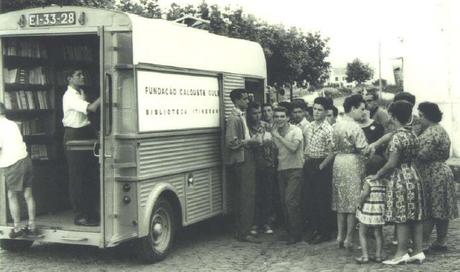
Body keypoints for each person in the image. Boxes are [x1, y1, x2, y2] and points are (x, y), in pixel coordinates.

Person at [369, 100, 425, 265]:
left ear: (393, 116)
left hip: (400, 178)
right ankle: (418, 250)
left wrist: (377, 175)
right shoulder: (411, 134)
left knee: (402, 217)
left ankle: (401, 253)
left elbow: (392, 163)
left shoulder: (397, 137)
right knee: (415, 216)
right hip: (414, 176)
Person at [416, 102, 458, 252]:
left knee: (430, 208)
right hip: (442, 170)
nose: (419, 119)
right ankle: (441, 240)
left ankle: (424, 242)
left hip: (432, 172)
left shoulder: (431, 132)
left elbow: (422, 154)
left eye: (420, 116)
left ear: (427, 116)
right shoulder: (440, 129)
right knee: (441, 209)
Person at [62, 68, 101, 226]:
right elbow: (91, 109)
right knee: (77, 178)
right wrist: (104, 95)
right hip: (74, 135)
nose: (82, 76)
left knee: (90, 176)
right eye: (78, 74)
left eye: (83, 74)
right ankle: (80, 216)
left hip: (85, 133)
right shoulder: (69, 96)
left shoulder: (80, 92)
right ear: (69, 78)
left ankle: (91, 213)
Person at [331, 94, 368, 250]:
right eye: (361, 109)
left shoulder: (335, 125)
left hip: (339, 161)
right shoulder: (355, 127)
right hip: (353, 161)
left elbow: (331, 146)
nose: (363, 113)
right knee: (353, 201)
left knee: (341, 200)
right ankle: (349, 238)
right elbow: (363, 148)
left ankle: (340, 235)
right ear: (353, 109)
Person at [225, 88, 260, 243]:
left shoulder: (240, 115)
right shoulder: (234, 118)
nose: (247, 101)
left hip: (245, 157)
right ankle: (244, 232)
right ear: (237, 100)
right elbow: (231, 142)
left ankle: (243, 229)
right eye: (245, 99)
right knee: (246, 195)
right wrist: (249, 142)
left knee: (245, 195)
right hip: (242, 159)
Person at [0, 102, 38, 238]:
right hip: (25, 159)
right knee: (28, 194)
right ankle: (32, 224)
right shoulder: (12, 124)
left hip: (13, 163)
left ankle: (17, 227)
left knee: (12, 195)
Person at [303, 97, 335, 244]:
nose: (316, 112)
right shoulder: (309, 126)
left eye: (320, 110)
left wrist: (320, 167)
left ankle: (325, 232)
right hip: (309, 163)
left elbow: (332, 152)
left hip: (322, 165)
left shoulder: (328, 129)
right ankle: (315, 229)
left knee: (322, 199)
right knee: (310, 199)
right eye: (314, 109)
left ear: (326, 111)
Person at [271, 106, 304, 244]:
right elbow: (275, 151)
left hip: (296, 169)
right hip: (281, 169)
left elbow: (293, 148)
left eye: (282, 116)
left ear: (288, 118)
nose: (279, 119)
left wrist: (278, 136)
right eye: (276, 116)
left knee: (290, 201)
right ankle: (290, 231)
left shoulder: (296, 130)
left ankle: (296, 234)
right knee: (285, 203)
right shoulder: (274, 132)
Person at [246, 102, 276, 235]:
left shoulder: (266, 126)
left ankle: (266, 223)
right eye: (254, 113)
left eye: (259, 113)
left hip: (267, 164)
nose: (258, 116)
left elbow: (272, 144)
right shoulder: (247, 127)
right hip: (253, 164)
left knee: (267, 194)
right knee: (255, 195)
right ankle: (255, 223)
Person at [355, 157, 387, 264]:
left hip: (367, 210)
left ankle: (365, 256)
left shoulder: (368, 181)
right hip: (379, 212)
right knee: (378, 233)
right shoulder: (384, 181)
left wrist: (359, 203)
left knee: (362, 232)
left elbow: (364, 194)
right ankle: (378, 255)